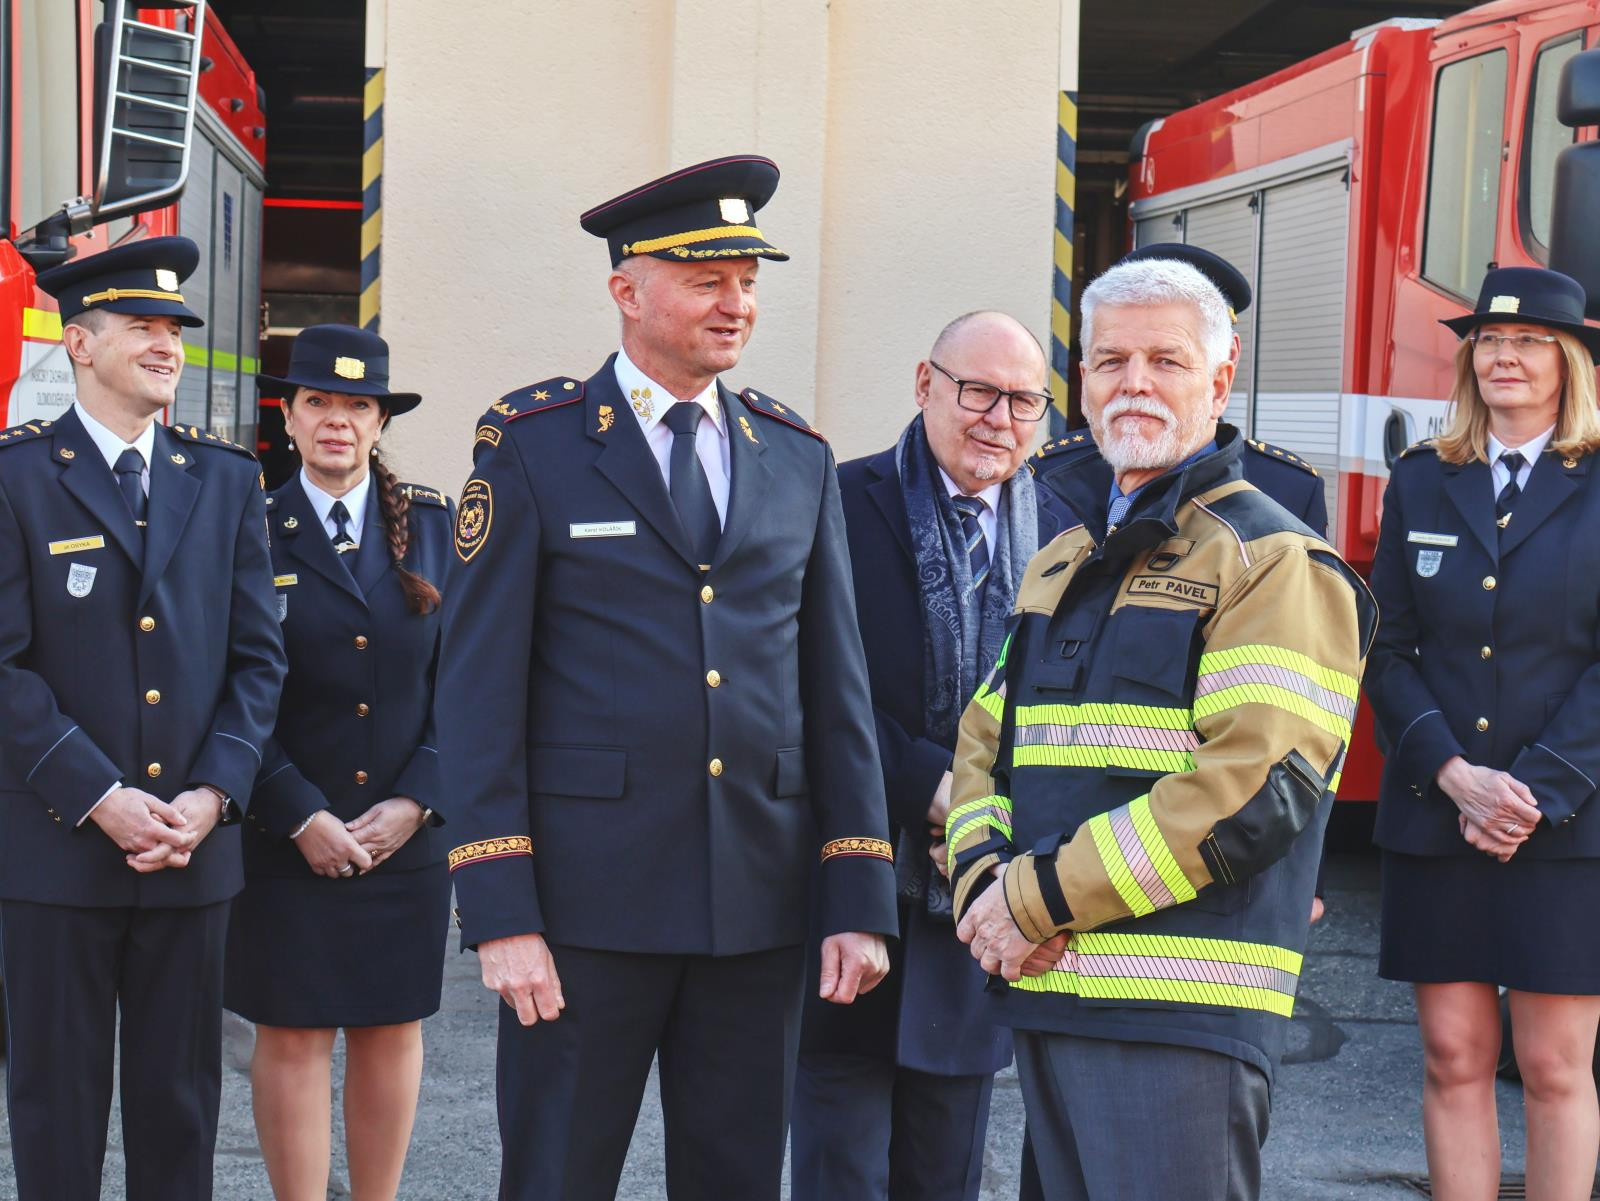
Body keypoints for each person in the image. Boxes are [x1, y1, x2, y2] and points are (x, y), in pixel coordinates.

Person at [436, 154, 899, 1201]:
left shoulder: (795, 455)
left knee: (737, 1180)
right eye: (705, 280)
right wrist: (501, 910)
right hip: (584, 913)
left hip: (758, 907)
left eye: (747, 280)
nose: (735, 304)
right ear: (627, 290)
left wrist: (858, 890)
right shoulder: (535, 447)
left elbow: (837, 694)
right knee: (556, 1178)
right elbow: (475, 694)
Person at [946, 256, 1374, 1201]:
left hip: (1180, 1015)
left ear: (1220, 380)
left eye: (1166, 361)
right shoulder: (1062, 560)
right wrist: (983, 887)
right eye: (1110, 361)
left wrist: (1033, 902)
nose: (1133, 382)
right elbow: (983, 747)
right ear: (1083, 382)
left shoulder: (1273, 561)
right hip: (1051, 989)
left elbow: (1247, 790)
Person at [0, 236, 285, 1201]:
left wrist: (213, 795)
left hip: (190, 850)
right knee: (56, 1105)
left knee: (180, 1106)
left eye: (174, 328)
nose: (168, 345)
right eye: (141, 326)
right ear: (80, 343)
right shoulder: (16, 476)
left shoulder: (228, 479)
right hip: (56, 850)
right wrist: (100, 796)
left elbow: (259, 659)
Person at [790, 311, 1075, 1201]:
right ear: (925, 384)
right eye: (977, 391)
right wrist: (934, 786)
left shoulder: (1067, 532)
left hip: (979, 897)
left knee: (944, 1167)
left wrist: (995, 814)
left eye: (1022, 401)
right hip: (856, 878)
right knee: (839, 1166)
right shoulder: (838, 501)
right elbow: (805, 688)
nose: (999, 418)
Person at [1367, 266, 1600, 1201]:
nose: (1506, 356)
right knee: (1454, 1053)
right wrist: (1455, 774)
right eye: (1490, 341)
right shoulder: (1424, 480)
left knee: (1554, 1064)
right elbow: (1385, 649)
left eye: (1530, 341)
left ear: (1570, 360)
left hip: (1570, 824)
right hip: (1439, 811)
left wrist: (1535, 791)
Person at [223, 325, 452, 1201]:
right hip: (285, 838)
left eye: (358, 405)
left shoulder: (434, 528)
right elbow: (226, 684)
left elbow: (469, 683)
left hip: (406, 839)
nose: (337, 420)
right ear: (287, 414)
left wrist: (419, 799)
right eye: (317, 400)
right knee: (292, 1034)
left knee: (391, 1029)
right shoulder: (246, 524)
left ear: (380, 420)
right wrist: (298, 813)